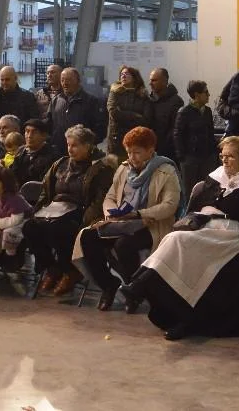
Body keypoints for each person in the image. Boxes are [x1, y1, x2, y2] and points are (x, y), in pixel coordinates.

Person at [120, 135, 239, 339]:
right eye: (223, 156)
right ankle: (145, 289)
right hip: (204, 228)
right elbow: (196, 205)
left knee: (179, 240)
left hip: (229, 234)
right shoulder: (215, 178)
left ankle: (140, 285)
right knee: (174, 238)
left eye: (231, 157)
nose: (225, 160)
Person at [74, 126, 181, 312]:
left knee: (123, 245)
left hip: (151, 224)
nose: (132, 157)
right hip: (121, 222)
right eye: (129, 152)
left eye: (137, 152)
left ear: (150, 150)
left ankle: (134, 291)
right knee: (87, 237)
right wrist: (110, 212)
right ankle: (108, 285)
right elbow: (110, 196)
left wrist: (139, 214)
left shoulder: (166, 171)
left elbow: (170, 205)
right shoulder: (124, 169)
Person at [23, 126, 116, 296]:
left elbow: (99, 201)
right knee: (30, 227)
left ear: (88, 146)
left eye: (75, 145)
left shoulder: (100, 168)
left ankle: (70, 270)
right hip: (54, 209)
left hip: (80, 211)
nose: (70, 149)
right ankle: (51, 268)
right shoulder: (60, 163)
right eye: (68, 145)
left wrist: (85, 222)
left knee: (58, 228)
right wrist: (38, 210)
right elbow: (46, 190)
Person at [174, 80, 217, 198]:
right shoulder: (184, 112)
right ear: (197, 95)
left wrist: (213, 153)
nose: (208, 95)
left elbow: (210, 132)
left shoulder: (207, 111)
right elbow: (177, 135)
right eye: (206, 92)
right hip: (190, 158)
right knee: (190, 191)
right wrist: (182, 157)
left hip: (207, 157)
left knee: (207, 189)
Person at [0, 165, 32, 271]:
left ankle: (10, 257)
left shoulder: (14, 198)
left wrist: (0, 224)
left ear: (6, 186)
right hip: (5, 220)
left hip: (22, 221)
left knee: (9, 233)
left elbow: (17, 218)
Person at [45, 67, 106, 150]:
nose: (65, 83)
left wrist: (88, 144)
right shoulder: (56, 100)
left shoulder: (91, 101)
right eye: (62, 80)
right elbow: (48, 124)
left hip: (82, 151)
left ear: (78, 81)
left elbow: (100, 128)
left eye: (69, 80)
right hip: (58, 150)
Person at [105, 65, 149, 160]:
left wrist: (123, 114)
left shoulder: (142, 95)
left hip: (136, 138)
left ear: (134, 77)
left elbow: (146, 119)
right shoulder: (115, 92)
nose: (123, 76)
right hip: (116, 140)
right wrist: (135, 115)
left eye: (127, 74)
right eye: (122, 74)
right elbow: (114, 113)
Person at [0, 65, 39, 135]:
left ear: (15, 79)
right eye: (2, 80)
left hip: (19, 137)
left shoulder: (27, 96)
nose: (4, 82)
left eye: (7, 79)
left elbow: (33, 120)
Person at [10, 118, 60, 187]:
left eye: (34, 132)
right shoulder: (20, 152)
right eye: (27, 131)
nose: (29, 136)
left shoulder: (52, 155)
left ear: (44, 136)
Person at [148, 68, 184, 161]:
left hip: (168, 153)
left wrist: (161, 148)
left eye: (154, 80)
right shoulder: (148, 100)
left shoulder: (176, 101)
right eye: (150, 80)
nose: (150, 83)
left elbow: (175, 129)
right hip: (149, 150)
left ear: (164, 81)